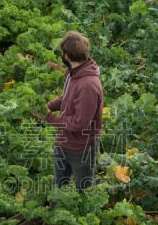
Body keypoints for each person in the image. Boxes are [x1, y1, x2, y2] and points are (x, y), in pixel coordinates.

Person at [32, 31, 104, 192]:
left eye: (62, 53)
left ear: (67, 56)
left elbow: (80, 123)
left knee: (83, 191)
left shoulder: (88, 85)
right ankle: (56, 212)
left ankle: (83, 215)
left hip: (81, 147)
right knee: (59, 187)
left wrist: (48, 117)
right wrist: (47, 106)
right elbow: (67, 97)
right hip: (63, 142)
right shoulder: (72, 73)